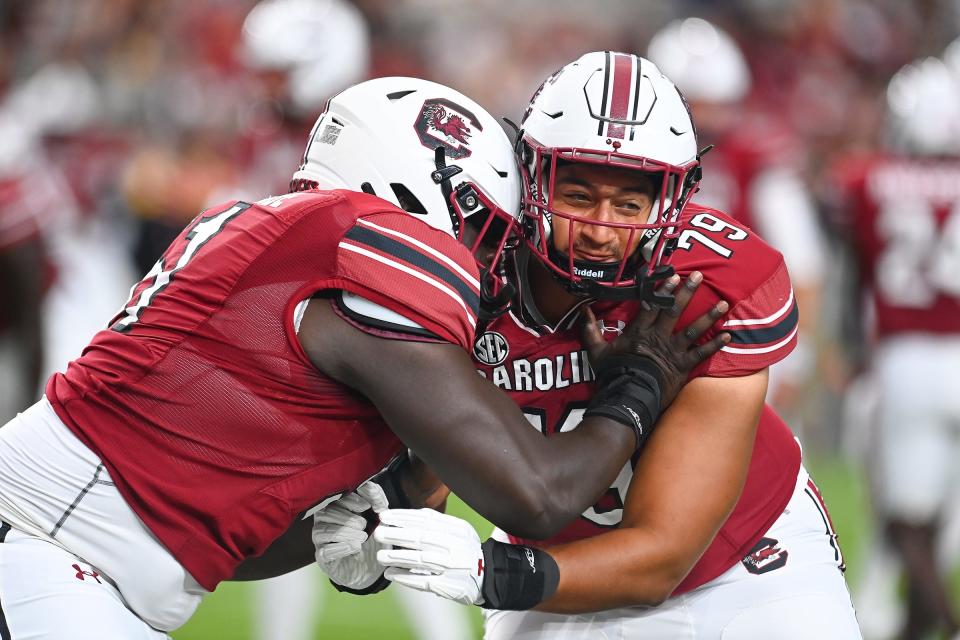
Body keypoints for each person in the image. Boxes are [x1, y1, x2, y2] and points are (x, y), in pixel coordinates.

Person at [0, 76, 726, 639]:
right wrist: (641, 379)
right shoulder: (364, 241)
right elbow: (538, 497)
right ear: (416, 192)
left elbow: (210, 540)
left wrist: (355, 522)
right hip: (46, 554)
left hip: (70, 558)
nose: (494, 259)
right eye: (482, 224)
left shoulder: (297, 248)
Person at [337, 52, 862, 638]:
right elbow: (448, 450)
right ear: (532, 179)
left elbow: (661, 555)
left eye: (629, 205)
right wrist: (384, 516)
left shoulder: (705, 291)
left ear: (668, 203)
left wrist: (491, 574)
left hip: (739, 564)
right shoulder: (475, 271)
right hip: (549, 564)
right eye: (580, 197)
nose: (599, 228)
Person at [828, 56, 960, 640]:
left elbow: (854, 270)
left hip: (906, 357)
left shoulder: (865, 179)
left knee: (906, 519)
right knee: (935, 517)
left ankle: (941, 620)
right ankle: (914, 623)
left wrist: (851, 349)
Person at [647, 17, 828, 424]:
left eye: (713, 102)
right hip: (654, 330)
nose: (705, 117)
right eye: (693, 101)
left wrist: (798, 360)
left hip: (739, 336)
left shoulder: (757, 162)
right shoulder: (641, 165)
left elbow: (803, 265)